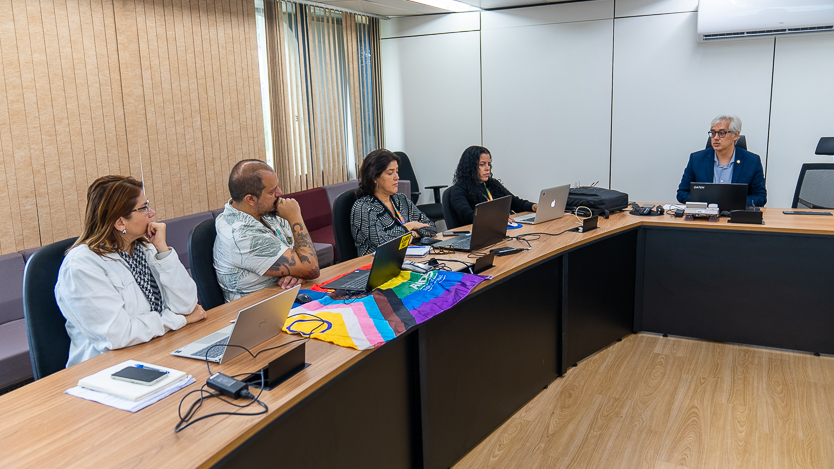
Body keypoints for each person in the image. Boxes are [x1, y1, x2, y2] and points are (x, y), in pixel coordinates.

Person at [55, 176, 206, 367]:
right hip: (107, 368)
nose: (152, 213)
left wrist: (163, 251)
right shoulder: (82, 265)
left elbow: (188, 305)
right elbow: (119, 334)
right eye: (144, 208)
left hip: (157, 348)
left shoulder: (146, 248)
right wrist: (179, 320)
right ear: (120, 223)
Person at [214, 160, 320, 302]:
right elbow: (311, 268)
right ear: (250, 199)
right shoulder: (240, 233)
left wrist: (299, 272)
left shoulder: (266, 210)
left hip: (285, 296)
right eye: (272, 191)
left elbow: (304, 257)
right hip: (255, 308)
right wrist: (295, 217)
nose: (279, 193)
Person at [351, 149, 437, 256]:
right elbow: (383, 241)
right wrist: (409, 226)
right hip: (375, 262)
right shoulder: (363, 207)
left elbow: (431, 227)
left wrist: (413, 234)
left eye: (397, 171)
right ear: (374, 178)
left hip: (404, 256)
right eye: (390, 173)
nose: (397, 177)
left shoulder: (401, 199)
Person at [677, 114, 767, 207]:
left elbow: (760, 197)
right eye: (713, 133)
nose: (716, 137)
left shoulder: (752, 161)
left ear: (736, 135)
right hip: (705, 213)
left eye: (722, 133)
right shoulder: (696, 159)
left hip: (736, 213)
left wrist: (731, 202)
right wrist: (707, 201)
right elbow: (682, 193)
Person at [449, 145, 537, 225]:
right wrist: (496, 216)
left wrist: (533, 206)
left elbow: (514, 202)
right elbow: (467, 215)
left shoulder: (492, 184)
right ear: (470, 167)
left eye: (489, 164)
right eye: (482, 164)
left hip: (501, 227)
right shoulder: (459, 190)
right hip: (479, 232)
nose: (487, 168)